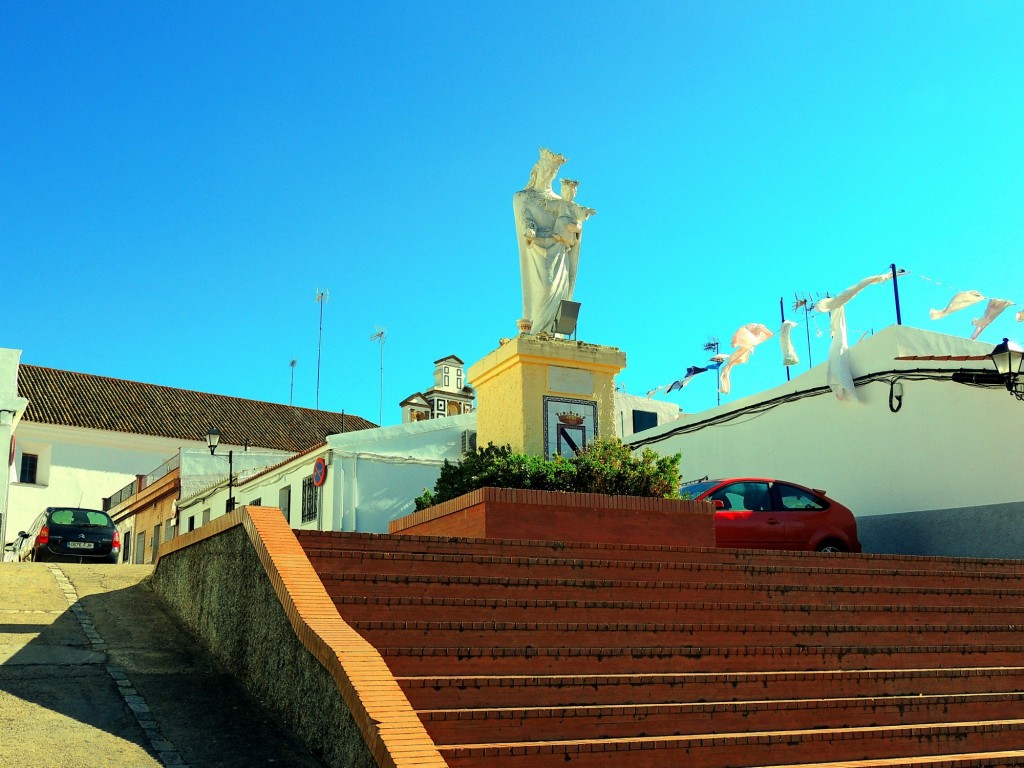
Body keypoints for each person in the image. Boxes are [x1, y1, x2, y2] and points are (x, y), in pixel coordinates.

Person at [513, 148, 595, 334]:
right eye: (546, 170)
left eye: (553, 172)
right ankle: (538, 333)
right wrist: (529, 229)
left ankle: (553, 334)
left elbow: (576, 224)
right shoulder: (523, 196)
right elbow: (525, 217)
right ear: (536, 170)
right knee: (544, 290)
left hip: (559, 253)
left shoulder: (560, 201)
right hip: (537, 252)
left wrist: (578, 228)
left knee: (558, 293)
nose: (549, 175)